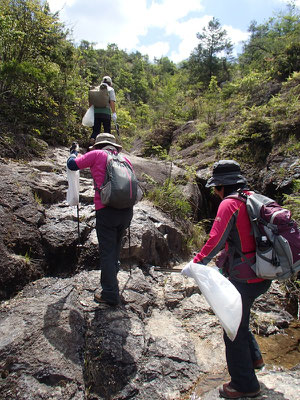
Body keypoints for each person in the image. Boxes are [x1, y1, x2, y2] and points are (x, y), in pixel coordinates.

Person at [192, 160, 271, 399]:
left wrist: (195, 264)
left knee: (232, 328)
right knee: (241, 318)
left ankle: (245, 385)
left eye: (215, 187)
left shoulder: (229, 204)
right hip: (264, 273)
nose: (214, 192)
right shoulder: (253, 198)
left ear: (222, 186)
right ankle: (255, 358)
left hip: (244, 278)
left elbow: (215, 240)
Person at [67, 133, 133, 306]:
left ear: (98, 145)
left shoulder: (97, 155)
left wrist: (73, 153)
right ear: (114, 147)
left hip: (106, 211)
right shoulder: (125, 159)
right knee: (115, 250)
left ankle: (110, 293)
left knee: (107, 253)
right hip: (126, 212)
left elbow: (72, 165)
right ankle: (113, 283)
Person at [89, 76, 117, 145]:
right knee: (107, 132)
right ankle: (106, 147)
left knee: (95, 131)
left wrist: (91, 111)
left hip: (96, 113)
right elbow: (112, 102)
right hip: (106, 113)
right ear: (110, 83)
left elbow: (91, 102)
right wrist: (114, 113)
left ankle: (92, 143)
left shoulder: (96, 89)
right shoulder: (110, 89)